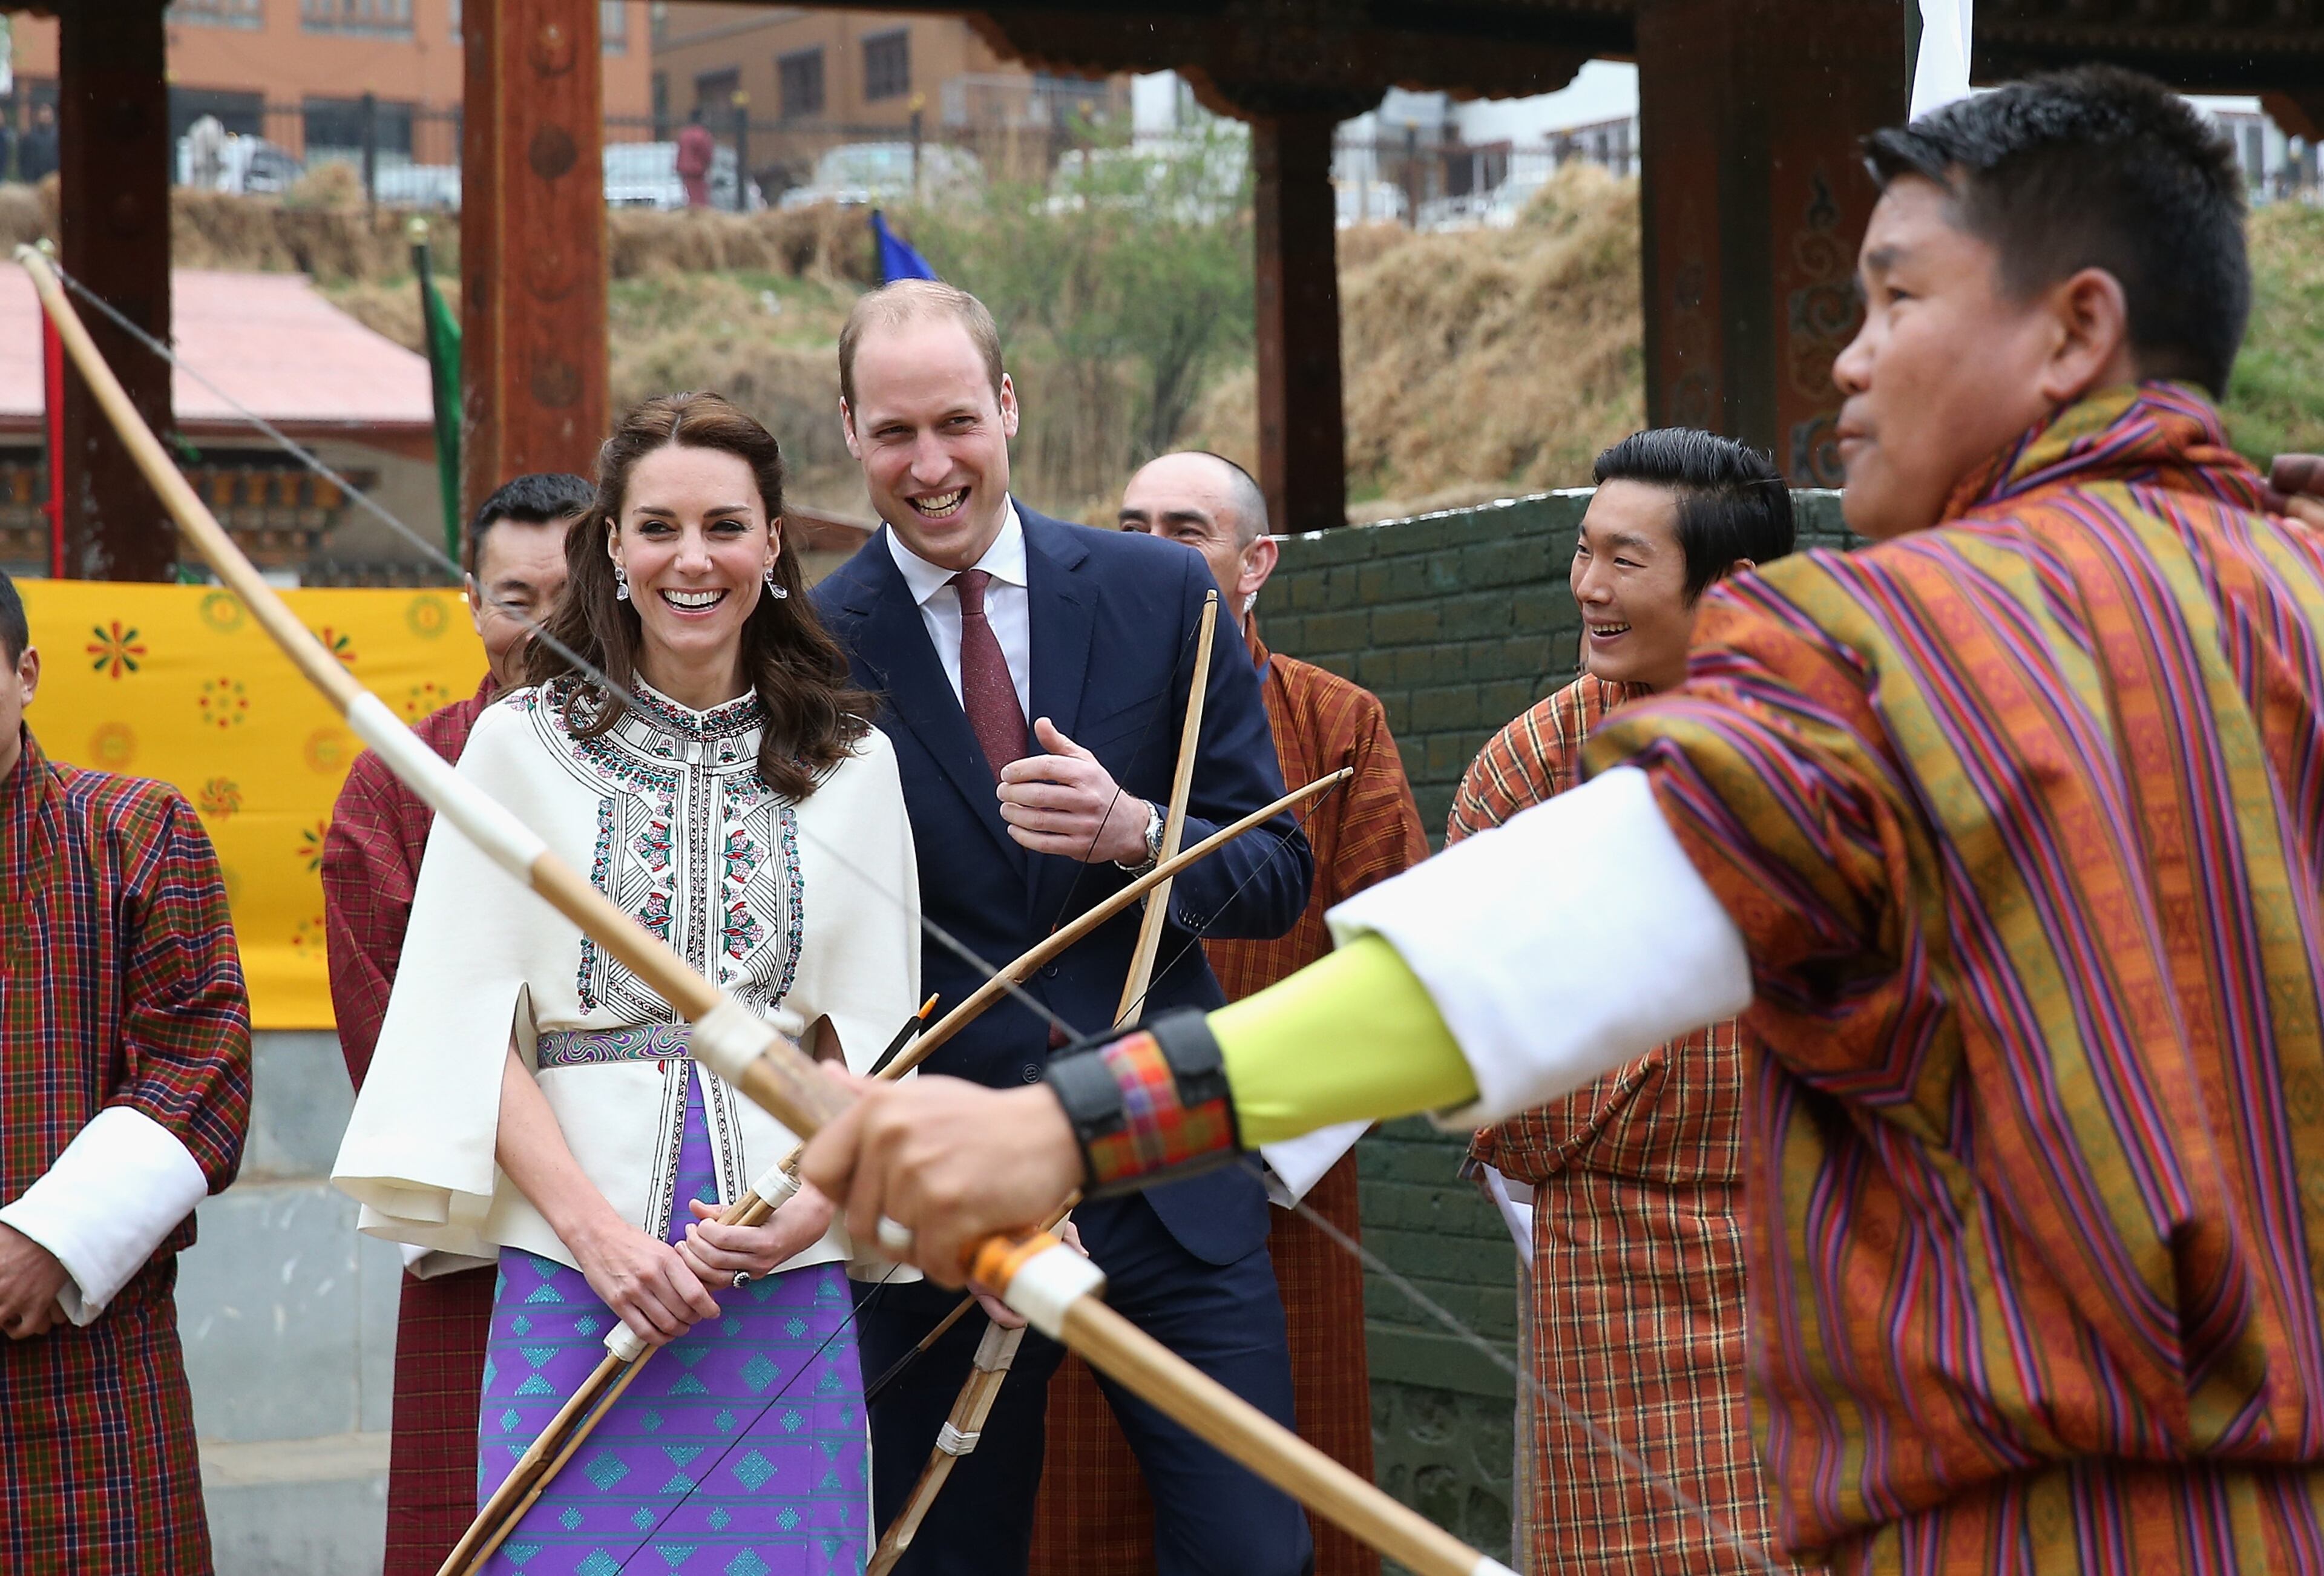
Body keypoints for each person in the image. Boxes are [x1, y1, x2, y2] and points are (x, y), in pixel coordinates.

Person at [804, 67, 2324, 1573]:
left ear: (2073, 329)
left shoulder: (1896, 640)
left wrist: (1058, 1124)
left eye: (1896, 302)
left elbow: (1533, 950)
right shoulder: (2296, 599)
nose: (1848, 363)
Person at [334, 395, 919, 1575]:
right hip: (574, 1272)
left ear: (772, 547)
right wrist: (598, 1239)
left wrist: (809, 1208)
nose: (690, 559)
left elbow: (873, 1039)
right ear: (612, 547)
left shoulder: (855, 762)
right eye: (657, 527)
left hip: (780, 1271)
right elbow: (464, 1023)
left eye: (724, 525)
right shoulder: (514, 743)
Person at [812, 281, 1316, 1576]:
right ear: (851, 432)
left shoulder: (1164, 594)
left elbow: (1276, 870)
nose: (931, 467)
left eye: (958, 422)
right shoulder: (807, 649)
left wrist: (1138, 831)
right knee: (943, 1552)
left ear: (1010, 408)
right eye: (893, 433)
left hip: (1168, 1164)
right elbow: (802, 954)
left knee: (1255, 1547)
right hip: (951, 1201)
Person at [1025, 449, 1426, 1576]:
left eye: (1185, 530)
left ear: (1256, 563)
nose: (1151, 553)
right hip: (1069, 1172)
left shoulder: (1335, 723)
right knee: (1073, 1507)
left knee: (1266, 1513)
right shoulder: (1053, 710)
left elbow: (1391, 952)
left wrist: (1268, 1138)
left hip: (1269, 1171)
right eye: (1129, 524)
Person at [1444, 428, 1802, 1576]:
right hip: (1602, 1267)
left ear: (1732, 587)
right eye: (1582, 551)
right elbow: (1458, 1035)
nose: (1590, 586)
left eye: (1626, 559)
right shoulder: (1528, 765)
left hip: (1813, 1255)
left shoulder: (1834, 750)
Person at [320, 470, 589, 1576]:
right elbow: (392, 1030)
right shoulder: (398, 782)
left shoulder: (682, 762)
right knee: (473, 1528)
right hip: (481, 1231)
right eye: (514, 598)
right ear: (470, 602)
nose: (543, 629)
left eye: (570, 597)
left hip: (686, 1214)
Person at [0, 568, 253, 1573]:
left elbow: (202, 1060)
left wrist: (50, 1238)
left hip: (89, 1357)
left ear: (26, 674)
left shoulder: (135, 829)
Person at [677, 108, 715, 209]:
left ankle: (692, 213)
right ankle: (698, 215)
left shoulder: (684, 134)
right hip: (698, 171)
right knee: (700, 199)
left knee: (689, 196)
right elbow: (707, 154)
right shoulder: (702, 135)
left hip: (685, 170)